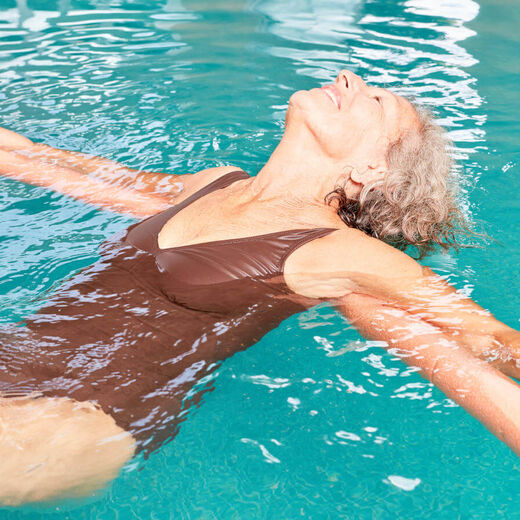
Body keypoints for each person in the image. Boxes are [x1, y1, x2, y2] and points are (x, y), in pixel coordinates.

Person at [0, 70, 519, 506]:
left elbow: (490, 340)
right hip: (15, 359)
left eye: (376, 102)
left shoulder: (338, 251)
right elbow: (36, 159)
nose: (348, 78)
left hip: (85, 416)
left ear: (372, 169)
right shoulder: (212, 182)